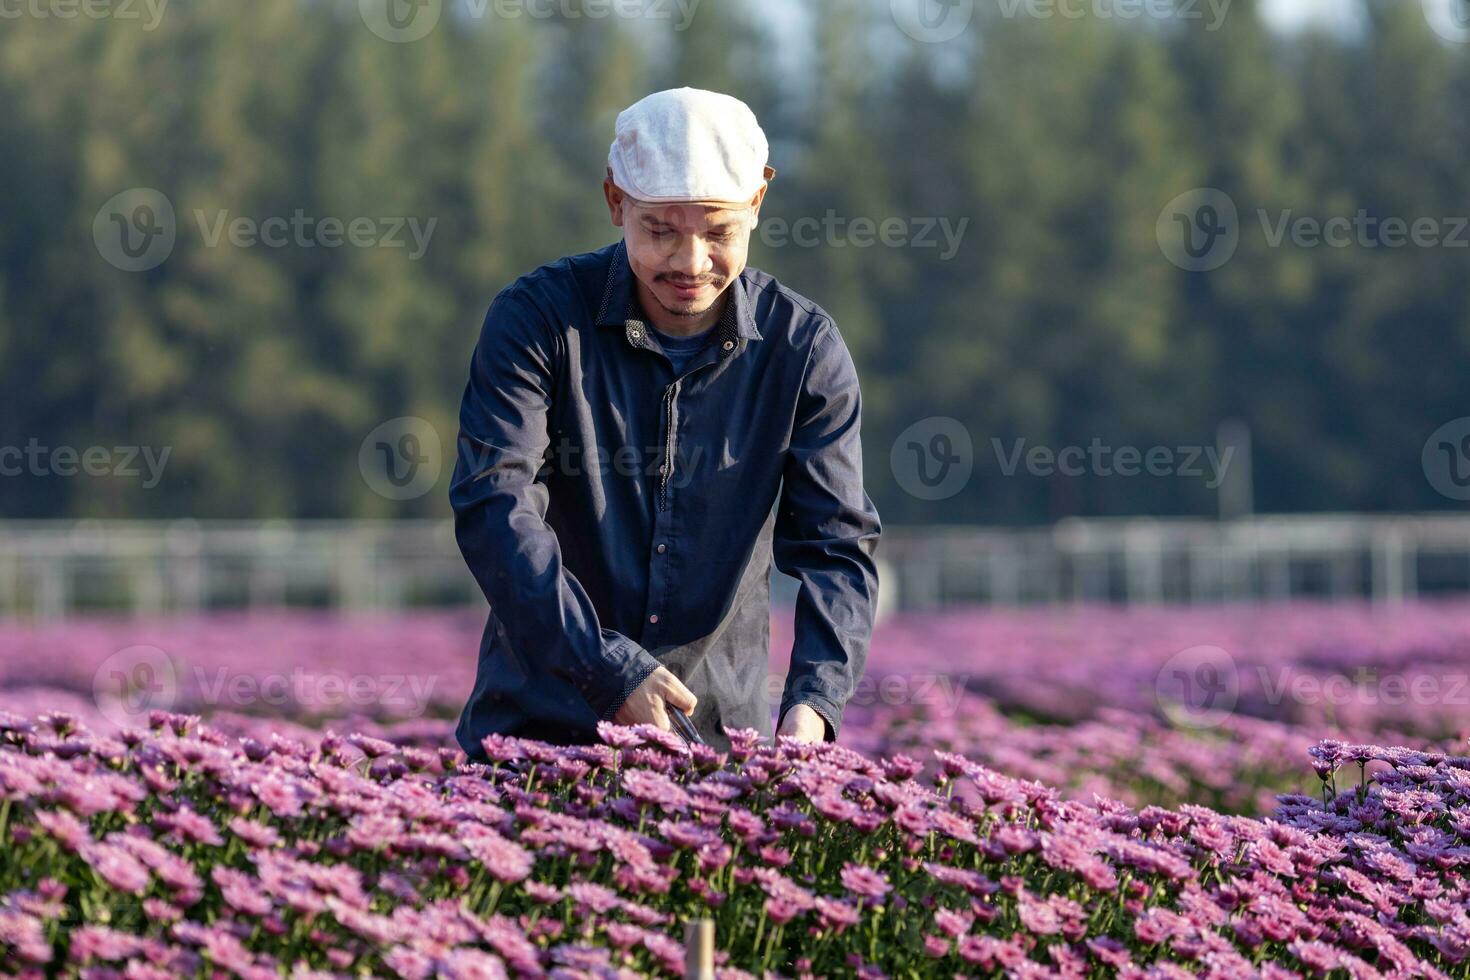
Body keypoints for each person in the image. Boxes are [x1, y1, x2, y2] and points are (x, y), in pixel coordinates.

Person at [450, 87, 881, 758]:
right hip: (535, 740)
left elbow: (837, 551)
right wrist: (602, 667)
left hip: (714, 749)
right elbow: (494, 505)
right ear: (615, 201)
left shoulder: (802, 351)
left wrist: (813, 708)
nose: (689, 262)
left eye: (718, 232)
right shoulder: (537, 321)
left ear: (758, 201)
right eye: (660, 230)